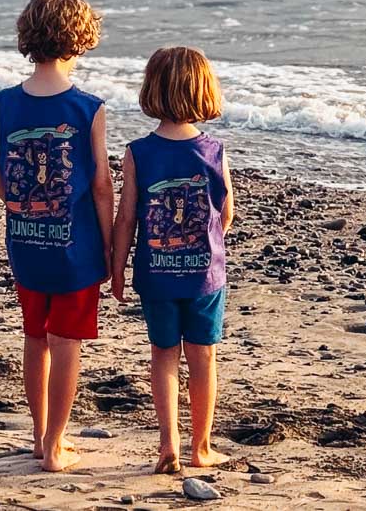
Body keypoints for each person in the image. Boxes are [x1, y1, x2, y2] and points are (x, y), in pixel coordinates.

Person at [0, 0, 113, 472]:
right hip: (74, 248)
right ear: (79, 39)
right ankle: (57, 445)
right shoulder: (88, 107)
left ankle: (39, 437)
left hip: (25, 243)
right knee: (66, 342)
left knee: (34, 338)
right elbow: (101, 185)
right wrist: (107, 244)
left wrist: (24, 208)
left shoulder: (6, 102)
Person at [111, 46, 235, 474]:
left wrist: (117, 269)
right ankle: (201, 446)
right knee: (203, 357)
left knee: (163, 354)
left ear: (153, 90)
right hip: (204, 276)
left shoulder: (138, 153)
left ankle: (169, 444)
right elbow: (227, 213)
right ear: (203, 91)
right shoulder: (213, 151)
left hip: (156, 275)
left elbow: (126, 217)